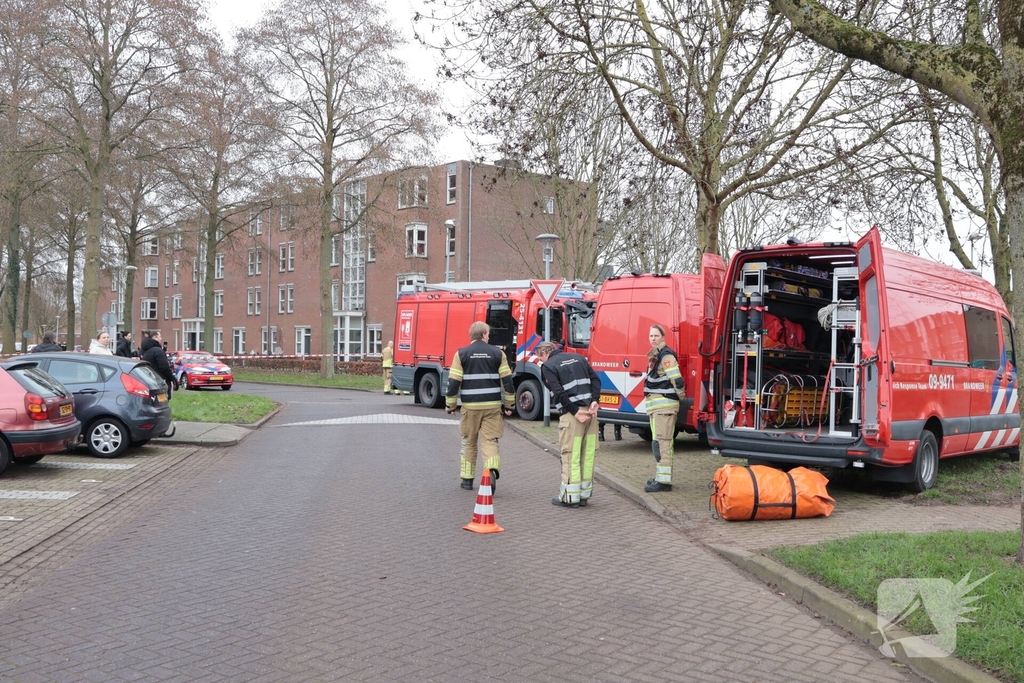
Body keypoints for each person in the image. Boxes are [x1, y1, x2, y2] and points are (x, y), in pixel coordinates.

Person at [445, 321, 515, 492]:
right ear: (484, 334)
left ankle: (467, 480)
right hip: (492, 407)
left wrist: (451, 405)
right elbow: (507, 381)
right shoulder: (498, 354)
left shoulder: (461, 354)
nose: (489, 335)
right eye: (488, 333)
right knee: (490, 440)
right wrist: (509, 405)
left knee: (469, 441)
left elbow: (453, 382)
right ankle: (490, 472)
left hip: (471, 407)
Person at [535, 341, 602, 508]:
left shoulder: (548, 366)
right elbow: (596, 380)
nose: (541, 362)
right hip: (591, 414)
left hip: (574, 416)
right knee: (587, 454)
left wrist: (574, 411)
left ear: (544, 353)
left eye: (540, 358)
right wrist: (594, 401)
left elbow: (558, 392)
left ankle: (570, 496)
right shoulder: (578, 358)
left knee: (570, 454)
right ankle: (584, 494)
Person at [643, 324, 685, 493]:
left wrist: (679, 397)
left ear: (663, 337)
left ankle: (664, 482)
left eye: (656, 335)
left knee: (664, 443)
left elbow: (677, 380)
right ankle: (660, 478)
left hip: (664, 407)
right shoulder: (656, 355)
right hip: (657, 408)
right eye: (650, 336)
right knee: (658, 443)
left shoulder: (666, 355)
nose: (653, 338)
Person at [141, 330, 175, 397]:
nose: (161, 338)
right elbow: (164, 367)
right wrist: (172, 378)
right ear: (155, 337)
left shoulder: (145, 351)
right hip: (160, 380)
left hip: (150, 380)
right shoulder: (158, 351)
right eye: (160, 336)